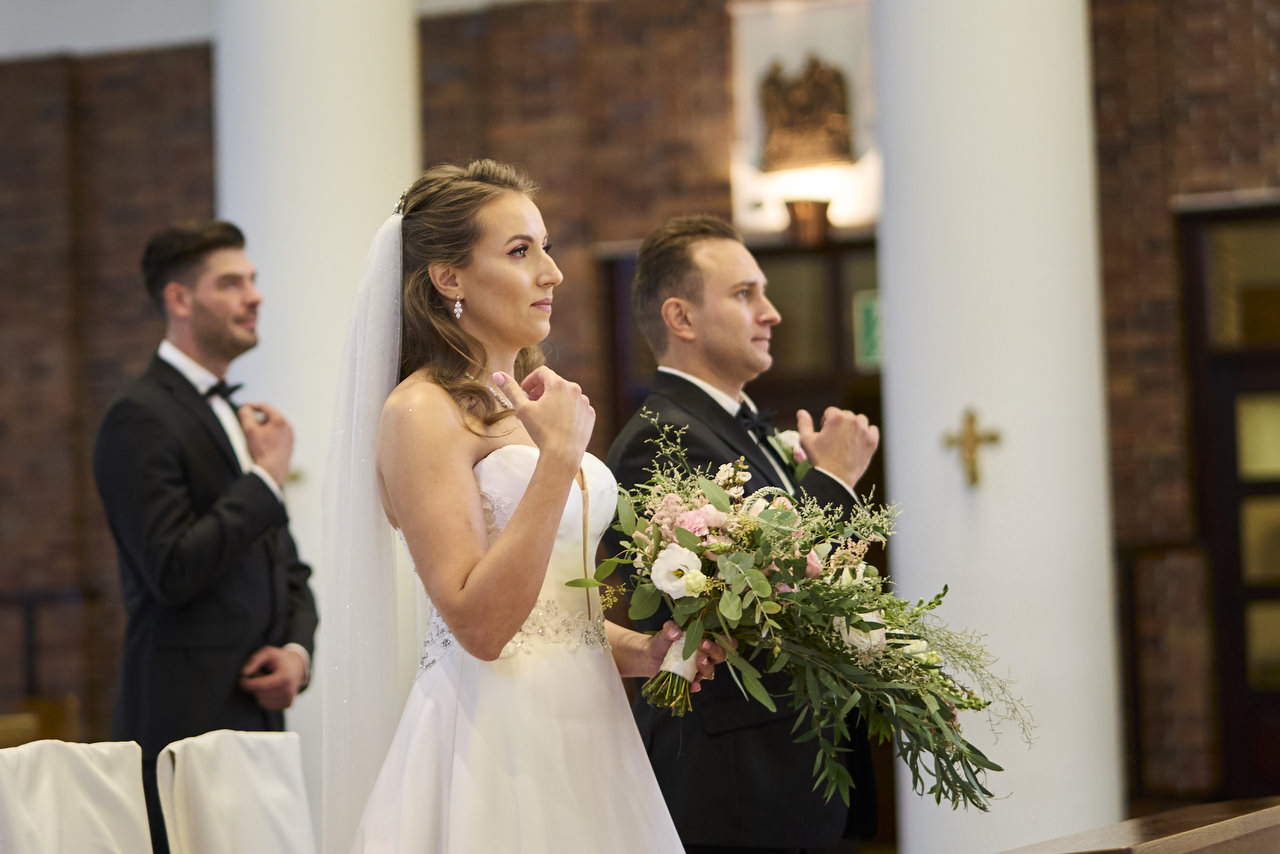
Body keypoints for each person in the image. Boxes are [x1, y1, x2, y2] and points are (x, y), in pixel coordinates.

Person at [322, 160, 721, 854]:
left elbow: (557, 617)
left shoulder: (528, 400)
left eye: (546, 247)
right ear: (449, 278)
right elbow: (481, 626)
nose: (553, 273)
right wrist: (560, 460)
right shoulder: (421, 411)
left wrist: (646, 650)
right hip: (494, 735)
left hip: (590, 727)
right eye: (519, 251)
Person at [607, 214, 881, 853]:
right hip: (732, 784)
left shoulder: (735, 427)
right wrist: (833, 481)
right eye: (744, 293)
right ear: (681, 318)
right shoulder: (661, 438)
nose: (771, 312)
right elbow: (764, 594)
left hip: (778, 775)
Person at [92, 220, 318, 854]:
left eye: (253, 280)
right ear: (180, 299)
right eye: (231, 283)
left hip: (258, 724)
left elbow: (287, 568)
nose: (254, 296)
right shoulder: (138, 417)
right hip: (183, 726)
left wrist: (296, 653)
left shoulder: (234, 417)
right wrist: (265, 480)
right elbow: (170, 567)